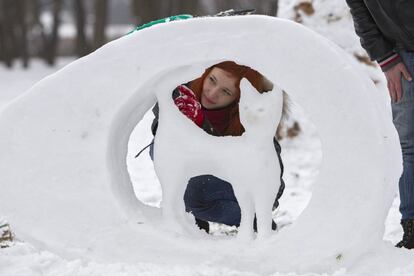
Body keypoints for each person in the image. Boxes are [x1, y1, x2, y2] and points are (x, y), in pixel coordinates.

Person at [149, 61, 285, 233]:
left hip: (230, 186)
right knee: (163, 149)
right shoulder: (184, 90)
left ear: (240, 99)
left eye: (226, 91)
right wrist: (180, 121)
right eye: (212, 80)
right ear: (206, 72)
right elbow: (160, 125)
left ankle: (252, 221)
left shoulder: (250, 117)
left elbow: (270, 167)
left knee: (193, 192)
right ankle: (193, 219)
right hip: (197, 171)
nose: (212, 93)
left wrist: (263, 203)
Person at [346, 1, 414, 249]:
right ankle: (412, 227)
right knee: (409, 145)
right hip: (405, 56)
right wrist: (386, 58)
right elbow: (360, 12)